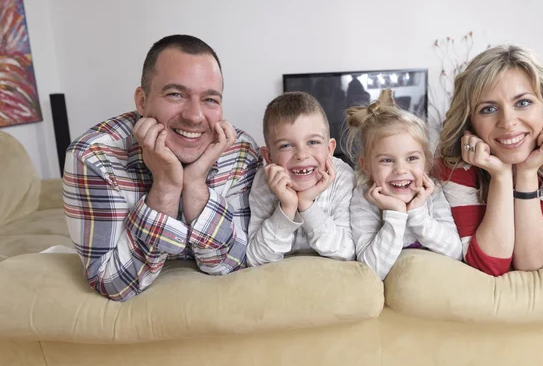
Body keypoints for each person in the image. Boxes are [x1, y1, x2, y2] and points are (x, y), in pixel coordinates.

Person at [63, 35, 260, 301]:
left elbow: (229, 264)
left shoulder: (240, 150)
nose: (194, 115)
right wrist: (165, 187)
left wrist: (195, 184)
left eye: (210, 99)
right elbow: (112, 284)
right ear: (142, 101)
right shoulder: (93, 156)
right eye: (176, 94)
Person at [436, 44, 543, 276]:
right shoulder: (456, 160)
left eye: (523, 103)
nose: (507, 122)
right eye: (488, 109)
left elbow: (532, 261)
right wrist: (501, 176)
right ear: (470, 121)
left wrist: (527, 174)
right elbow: (489, 264)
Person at [346, 89, 462, 280]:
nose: (400, 170)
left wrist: (417, 214)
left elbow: (455, 252)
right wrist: (395, 214)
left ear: (426, 162)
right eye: (386, 160)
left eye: (411, 158)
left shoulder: (432, 193)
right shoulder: (363, 198)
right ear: (367, 167)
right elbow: (371, 270)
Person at [246, 91, 355, 266]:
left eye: (313, 142)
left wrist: (306, 204)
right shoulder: (264, 181)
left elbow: (346, 253)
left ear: (329, 149)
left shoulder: (343, 176)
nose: (302, 155)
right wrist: (287, 207)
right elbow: (256, 259)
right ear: (268, 156)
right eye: (286, 145)